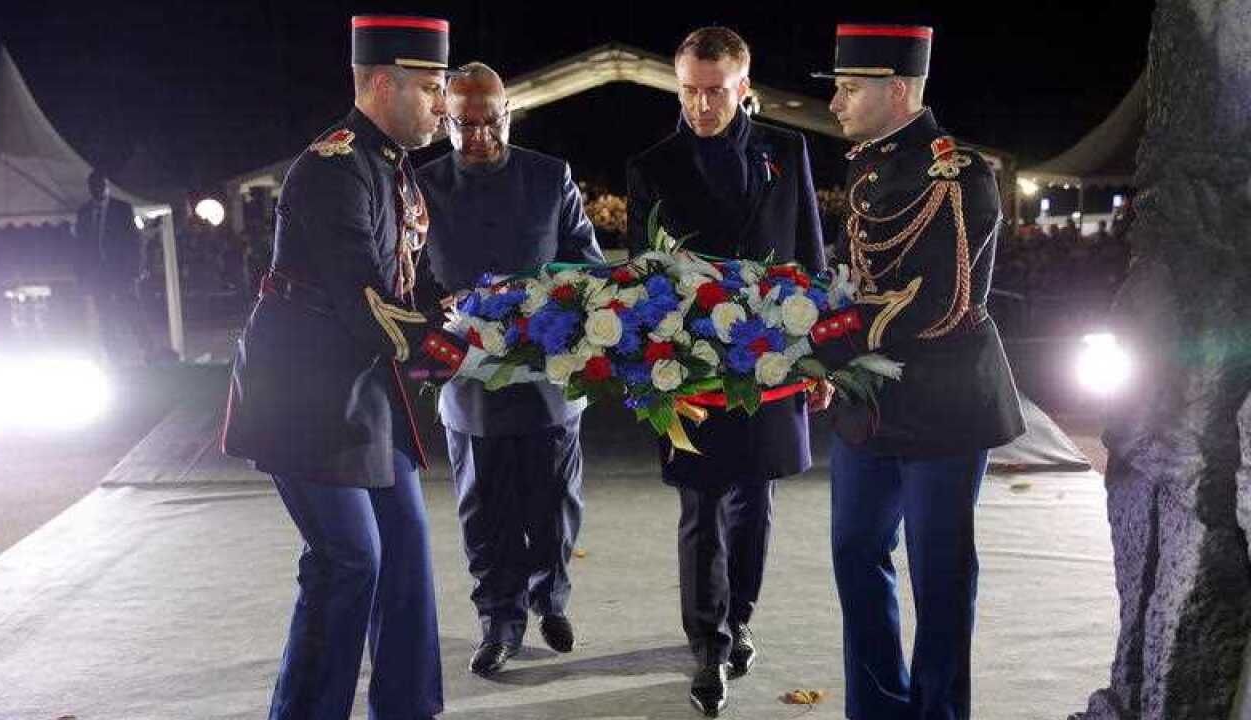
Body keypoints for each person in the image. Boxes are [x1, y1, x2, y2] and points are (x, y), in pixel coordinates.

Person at [221, 14, 468, 720]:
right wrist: (458, 348)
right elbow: (370, 303)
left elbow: (410, 287)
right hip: (301, 396)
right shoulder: (331, 169)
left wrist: (486, 319)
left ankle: (408, 708)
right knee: (348, 562)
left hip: (361, 392)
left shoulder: (390, 169)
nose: (441, 104)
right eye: (430, 89)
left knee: (405, 556)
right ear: (383, 83)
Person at [807, 23, 1026, 720]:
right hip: (868, 403)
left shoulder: (960, 173)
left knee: (940, 575)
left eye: (848, 88)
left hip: (942, 403)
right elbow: (860, 276)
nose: (836, 103)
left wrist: (818, 341)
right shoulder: (866, 163)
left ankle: (938, 713)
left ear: (896, 89)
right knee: (854, 554)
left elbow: (941, 305)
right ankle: (876, 708)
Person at [625, 26, 826, 717]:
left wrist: (820, 353)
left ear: (744, 87)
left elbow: (809, 255)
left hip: (770, 355)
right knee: (700, 502)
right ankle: (707, 643)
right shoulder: (651, 164)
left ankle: (739, 617)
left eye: (715, 91)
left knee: (756, 498)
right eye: (689, 90)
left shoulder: (787, 150)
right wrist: (648, 366)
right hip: (688, 363)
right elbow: (640, 279)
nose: (701, 105)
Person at [416, 62, 604, 677]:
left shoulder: (551, 178)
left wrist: (551, 299)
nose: (477, 137)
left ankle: (550, 599)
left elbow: (587, 263)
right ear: (444, 119)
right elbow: (406, 281)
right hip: (468, 379)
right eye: (463, 125)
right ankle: (498, 619)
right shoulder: (421, 186)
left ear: (508, 115)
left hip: (547, 374)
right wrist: (434, 310)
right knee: (484, 510)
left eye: (489, 123)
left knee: (553, 503)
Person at [74, 170, 153, 364]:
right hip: (97, 274)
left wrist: (135, 269)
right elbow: (80, 246)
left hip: (121, 272)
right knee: (105, 315)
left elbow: (134, 240)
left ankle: (148, 349)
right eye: (93, 187)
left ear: (107, 187)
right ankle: (114, 354)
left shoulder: (122, 209)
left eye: (100, 186)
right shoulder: (84, 213)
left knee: (131, 309)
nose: (97, 190)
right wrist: (83, 276)